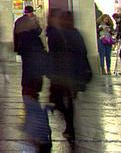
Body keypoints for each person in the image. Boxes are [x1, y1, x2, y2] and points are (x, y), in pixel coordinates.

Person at [48, 10, 92, 142]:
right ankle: (69, 126)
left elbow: (54, 54)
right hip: (71, 73)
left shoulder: (62, 33)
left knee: (62, 100)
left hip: (65, 73)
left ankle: (69, 126)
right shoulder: (74, 33)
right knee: (67, 100)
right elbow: (83, 52)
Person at [14, 5, 49, 150]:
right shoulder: (34, 34)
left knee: (31, 101)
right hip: (34, 75)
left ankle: (38, 130)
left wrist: (16, 48)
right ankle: (41, 132)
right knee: (34, 100)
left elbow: (16, 37)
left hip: (29, 74)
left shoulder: (20, 26)